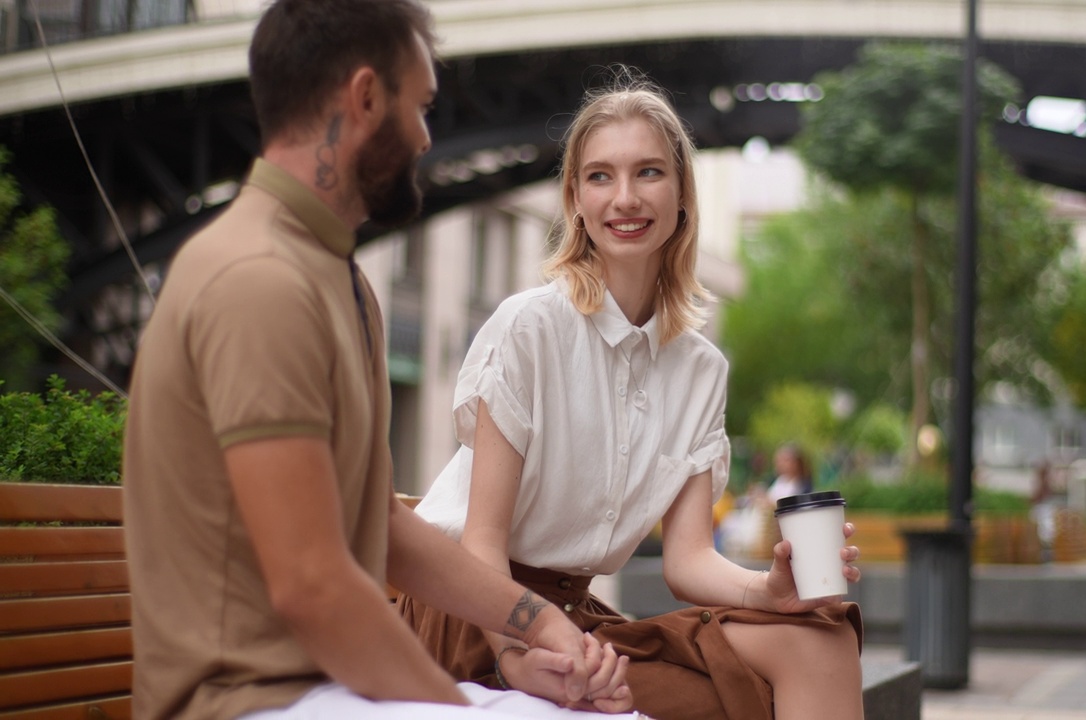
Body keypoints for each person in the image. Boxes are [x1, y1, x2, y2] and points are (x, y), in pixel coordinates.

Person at [122, 2, 634, 719]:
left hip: (327, 691)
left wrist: (537, 628)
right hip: (245, 703)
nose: (428, 136)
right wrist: (459, 711)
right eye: (421, 106)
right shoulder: (259, 279)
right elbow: (312, 584)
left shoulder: (339, 279)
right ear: (365, 97)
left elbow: (380, 530)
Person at [399, 69, 866, 720]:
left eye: (648, 172)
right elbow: (481, 545)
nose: (624, 198)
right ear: (576, 201)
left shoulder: (700, 368)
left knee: (824, 635)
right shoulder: (530, 327)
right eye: (600, 176)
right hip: (470, 610)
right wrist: (515, 652)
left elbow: (690, 560)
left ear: (681, 197)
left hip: (573, 615)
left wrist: (773, 591)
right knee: (740, 693)